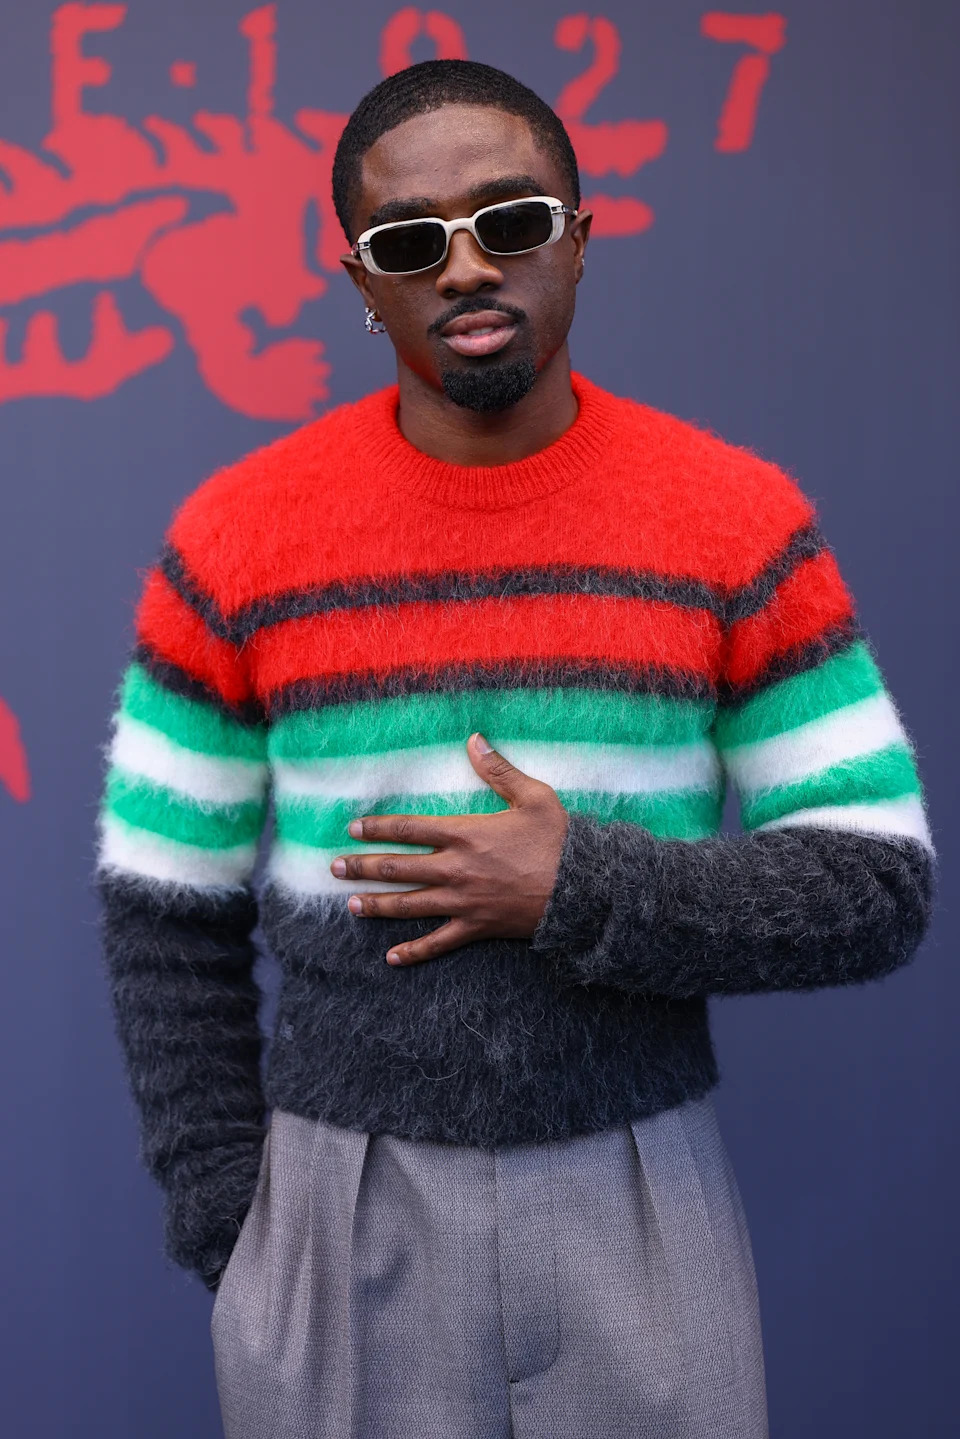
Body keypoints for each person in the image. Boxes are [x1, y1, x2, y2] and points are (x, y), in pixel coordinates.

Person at [96, 59, 935, 1439]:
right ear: (363, 284)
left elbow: (875, 887)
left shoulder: (736, 522)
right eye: (412, 243)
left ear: (583, 236)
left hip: (641, 1196)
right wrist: (232, 1220)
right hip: (334, 1207)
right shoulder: (235, 541)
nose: (469, 267)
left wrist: (580, 887)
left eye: (514, 221)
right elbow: (163, 906)